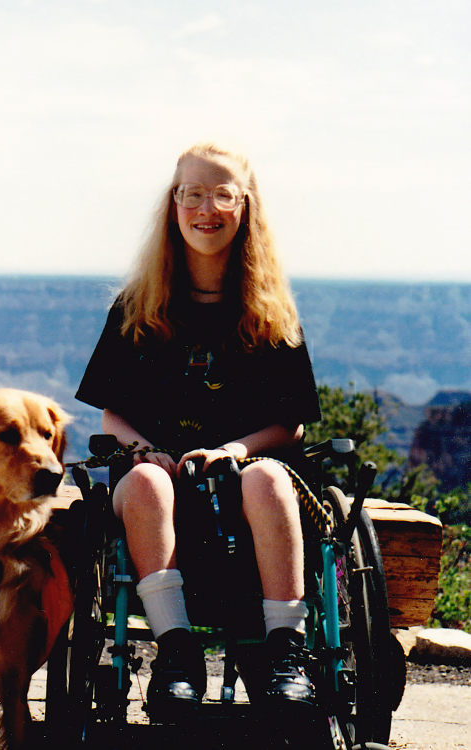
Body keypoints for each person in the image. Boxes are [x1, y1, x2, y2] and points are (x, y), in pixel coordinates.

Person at [75, 141, 321, 723]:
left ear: (245, 207)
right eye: (192, 194)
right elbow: (110, 411)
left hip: (245, 489)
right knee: (142, 485)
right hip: (161, 486)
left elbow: (291, 422)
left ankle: (287, 650)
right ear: (174, 204)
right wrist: (145, 450)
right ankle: (177, 654)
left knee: (267, 481)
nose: (205, 209)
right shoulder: (138, 307)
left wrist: (235, 451)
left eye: (222, 194)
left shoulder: (270, 311)